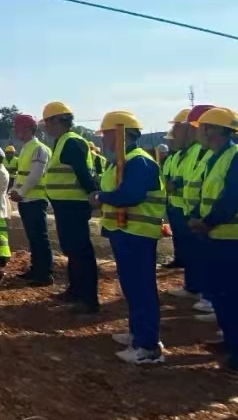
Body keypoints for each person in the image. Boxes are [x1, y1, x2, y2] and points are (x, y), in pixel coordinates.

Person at [190, 107, 238, 371]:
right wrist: (197, 217)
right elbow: (206, 195)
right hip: (218, 236)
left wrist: (207, 222)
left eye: (201, 128)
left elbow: (234, 196)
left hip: (235, 238)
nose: (198, 133)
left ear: (212, 129)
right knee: (222, 294)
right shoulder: (215, 158)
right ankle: (232, 340)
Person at [91, 111, 166, 364]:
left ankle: (148, 347)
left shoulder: (138, 161)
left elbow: (130, 195)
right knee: (132, 288)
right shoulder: (120, 162)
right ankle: (138, 334)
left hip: (138, 233)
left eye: (106, 135)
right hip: (125, 232)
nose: (103, 140)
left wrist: (100, 197)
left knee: (141, 288)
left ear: (118, 135)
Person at [41, 101, 101, 314]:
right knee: (71, 250)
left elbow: (82, 173)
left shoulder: (71, 142)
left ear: (57, 120)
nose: (45, 127)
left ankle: (88, 299)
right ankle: (75, 290)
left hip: (74, 205)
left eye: (47, 122)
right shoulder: (62, 141)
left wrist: (93, 194)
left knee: (80, 251)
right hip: (65, 205)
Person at [170, 104, 217, 316]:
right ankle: (199, 290)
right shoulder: (193, 153)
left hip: (211, 217)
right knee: (196, 254)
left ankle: (213, 299)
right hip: (191, 211)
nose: (174, 133)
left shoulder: (209, 153)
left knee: (211, 259)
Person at [9, 114, 53, 286]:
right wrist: (16, 190)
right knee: (33, 238)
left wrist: (21, 191)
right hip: (26, 199)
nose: (16, 132)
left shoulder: (39, 148)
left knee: (39, 237)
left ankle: (44, 274)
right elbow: (22, 174)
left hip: (35, 199)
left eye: (18, 129)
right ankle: (36, 270)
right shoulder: (26, 148)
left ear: (27, 129)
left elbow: (36, 174)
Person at [162, 109, 191, 271]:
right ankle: (180, 259)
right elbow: (167, 176)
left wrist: (176, 184)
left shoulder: (192, 154)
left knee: (187, 238)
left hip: (185, 205)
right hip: (174, 202)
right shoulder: (173, 158)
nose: (171, 141)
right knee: (178, 235)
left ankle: (185, 261)